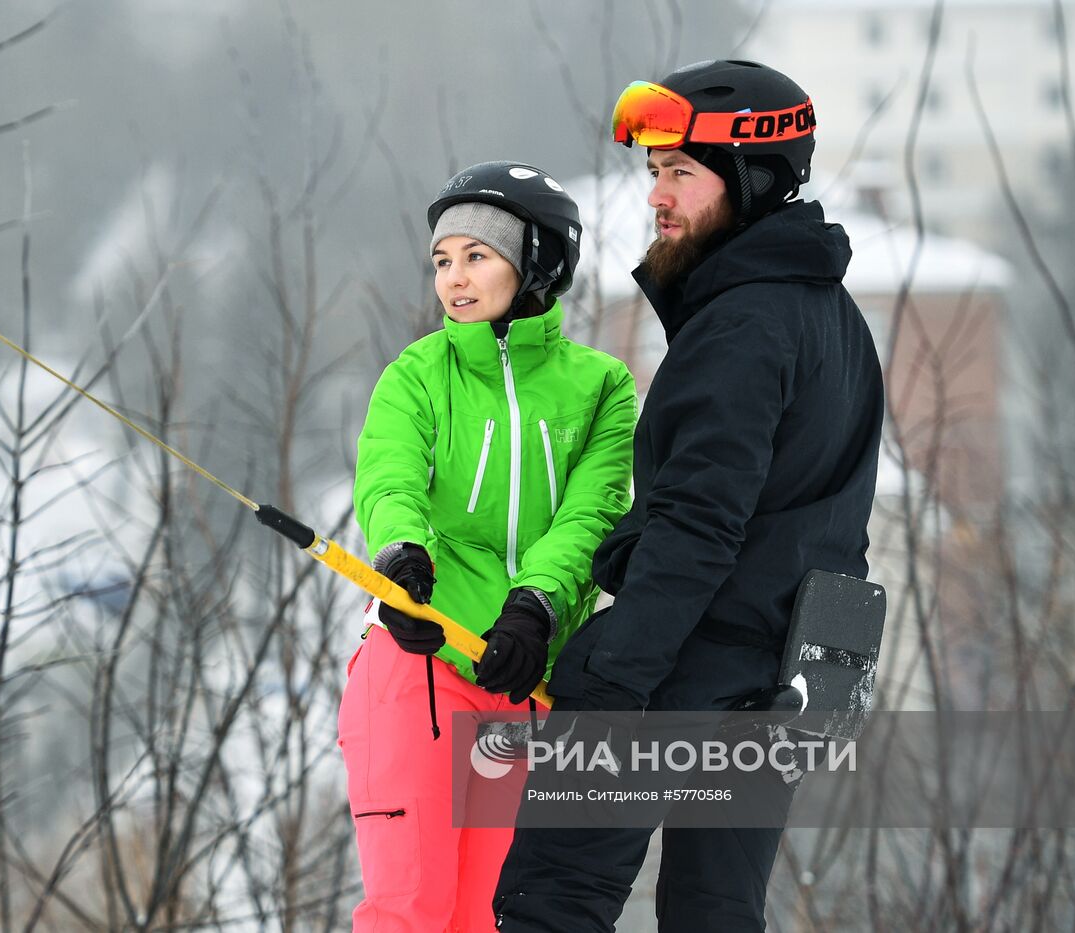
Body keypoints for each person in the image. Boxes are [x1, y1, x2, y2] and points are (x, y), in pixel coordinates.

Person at [493, 60, 886, 931]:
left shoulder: (744, 325)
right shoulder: (834, 318)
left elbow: (698, 523)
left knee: (550, 900)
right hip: (783, 678)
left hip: (681, 665)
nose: (658, 196)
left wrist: (612, 670)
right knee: (716, 912)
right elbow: (836, 529)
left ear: (750, 181)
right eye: (653, 172)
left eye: (682, 172)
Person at [338, 161, 637, 932]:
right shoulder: (418, 375)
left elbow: (591, 515)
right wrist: (403, 555)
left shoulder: (602, 387)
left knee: (487, 916)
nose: (454, 279)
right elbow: (389, 476)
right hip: (420, 666)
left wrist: (534, 607)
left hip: (519, 682)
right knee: (411, 908)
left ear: (536, 261)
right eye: (443, 260)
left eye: (478, 255)